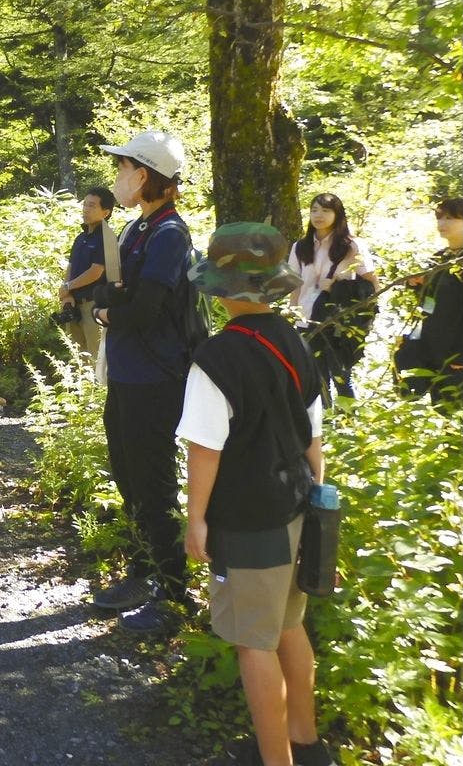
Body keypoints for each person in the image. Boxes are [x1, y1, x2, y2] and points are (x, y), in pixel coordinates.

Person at [177, 223, 333, 766]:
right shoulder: (295, 340)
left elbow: (205, 450)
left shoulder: (215, 359)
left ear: (220, 289)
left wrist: (196, 520)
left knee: (253, 642)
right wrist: (317, 498)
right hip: (293, 504)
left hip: (246, 519)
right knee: (289, 623)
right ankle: (305, 738)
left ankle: (275, 759)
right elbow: (314, 437)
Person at [89, 130, 195, 635]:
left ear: (144, 175)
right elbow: (120, 289)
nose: (118, 179)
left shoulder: (170, 234)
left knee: (153, 483)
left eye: (123, 168)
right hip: (129, 373)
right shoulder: (137, 229)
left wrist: (110, 312)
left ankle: (174, 593)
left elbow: (148, 306)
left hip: (156, 376)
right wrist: (113, 300)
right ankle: (142, 571)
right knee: (129, 476)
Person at [286, 193, 380, 402]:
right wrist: (294, 312)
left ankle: (349, 422)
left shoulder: (351, 245)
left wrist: (339, 286)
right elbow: (296, 283)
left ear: (337, 214)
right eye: (314, 210)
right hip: (307, 316)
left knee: (341, 374)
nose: (319, 215)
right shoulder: (300, 247)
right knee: (316, 374)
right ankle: (325, 422)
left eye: (326, 210)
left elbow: (372, 282)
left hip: (339, 317)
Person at [395, 197, 463, 406]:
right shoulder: (439, 258)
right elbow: (430, 302)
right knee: (441, 413)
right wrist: (416, 283)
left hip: (459, 355)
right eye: (439, 218)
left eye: (450, 218)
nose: (442, 224)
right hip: (433, 348)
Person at [56, 187, 116, 363]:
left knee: (96, 359)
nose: (86, 210)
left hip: (94, 307)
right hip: (74, 306)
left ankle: (97, 391)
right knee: (77, 358)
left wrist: (68, 286)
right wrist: (66, 294)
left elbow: (96, 271)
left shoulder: (107, 238)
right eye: (85, 205)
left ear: (106, 212)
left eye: (92, 206)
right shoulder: (80, 238)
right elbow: (71, 267)